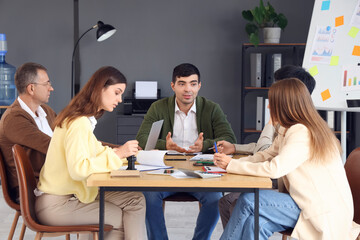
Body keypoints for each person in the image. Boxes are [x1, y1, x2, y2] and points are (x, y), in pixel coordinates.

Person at [214, 78, 360, 240]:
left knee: (248, 201)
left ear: (284, 105)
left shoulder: (301, 131)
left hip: (322, 211)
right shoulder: (289, 129)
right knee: (256, 224)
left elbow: (275, 169)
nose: (269, 106)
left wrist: (232, 165)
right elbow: (266, 155)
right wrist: (231, 163)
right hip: (311, 204)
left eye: (272, 102)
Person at [35, 66, 146, 240]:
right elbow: (78, 169)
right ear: (100, 88)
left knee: (136, 200)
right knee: (121, 217)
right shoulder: (78, 123)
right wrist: (117, 155)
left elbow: (97, 152)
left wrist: (122, 153)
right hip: (57, 205)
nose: (120, 99)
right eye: (117, 92)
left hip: (68, 197)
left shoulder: (81, 120)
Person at [136, 63, 236, 240]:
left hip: (201, 172)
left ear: (199, 86)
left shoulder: (212, 108)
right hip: (165, 171)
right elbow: (142, 139)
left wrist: (204, 145)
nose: (187, 89)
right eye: (182, 83)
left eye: (193, 83)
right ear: (173, 86)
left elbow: (228, 140)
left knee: (214, 199)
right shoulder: (158, 107)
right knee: (149, 196)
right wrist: (166, 145)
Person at [217, 65, 316, 228]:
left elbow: (267, 154)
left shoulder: (300, 128)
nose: (269, 101)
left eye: (276, 90)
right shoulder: (291, 124)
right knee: (230, 203)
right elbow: (268, 151)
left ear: (290, 93)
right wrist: (234, 153)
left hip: (295, 194)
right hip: (285, 186)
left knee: (240, 202)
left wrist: (272, 120)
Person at [0, 62, 56, 203]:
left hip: (54, 182)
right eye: (47, 84)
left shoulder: (46, 112)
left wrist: (114, 149)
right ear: (31, 88)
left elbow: (72, 139)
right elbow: (54, 146)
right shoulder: (14, 118)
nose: (51, 88)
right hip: (34, 192)